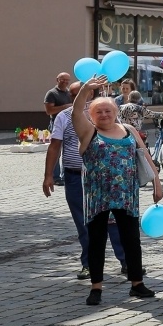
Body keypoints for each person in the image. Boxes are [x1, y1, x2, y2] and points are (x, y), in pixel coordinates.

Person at [70, 75, 158, 306]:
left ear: (116, 111)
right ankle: (96, 287)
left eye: (108, 111)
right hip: (98, 195)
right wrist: (86, 90)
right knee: (97, 241)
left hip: (126, 195)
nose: (104, 115)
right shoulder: (89, 132)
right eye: (99, 112)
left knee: (131, 239)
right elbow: (75, 113)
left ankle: (137, 283)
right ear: (92, 115)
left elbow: (144, 156)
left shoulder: (128, 129)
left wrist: (157, 182)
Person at [43, 80, 126, 280]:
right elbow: (55, 146)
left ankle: (126, 261)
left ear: (91, 93)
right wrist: (48, 175)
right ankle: (89, 264)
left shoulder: (102, 115)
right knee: (83, 223)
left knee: (114, 220)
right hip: (74, 177)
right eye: (73, 95)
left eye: (84, 92)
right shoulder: (63, 117)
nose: (78, 97)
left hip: (104, 177)